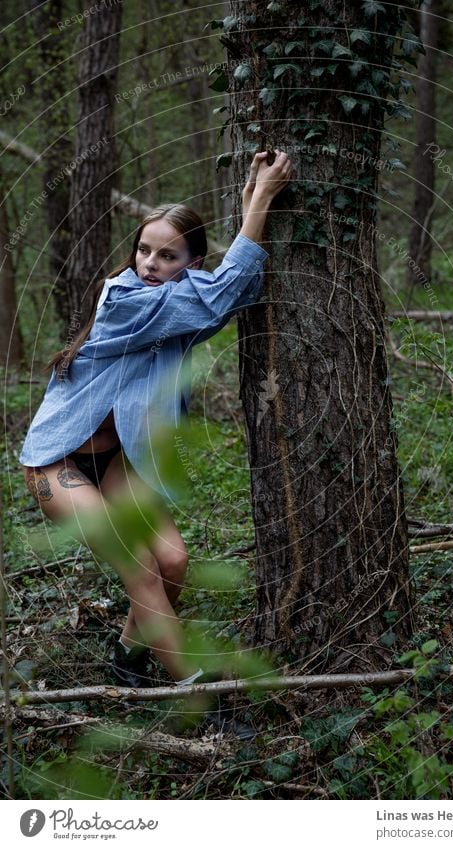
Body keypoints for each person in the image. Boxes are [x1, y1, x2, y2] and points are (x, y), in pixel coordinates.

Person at [19, 149, 293, 689]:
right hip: (57, 462)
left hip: (118, 458)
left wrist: (250, 208)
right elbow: (216, 298)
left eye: (167, 257)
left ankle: (129, 658)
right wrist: (259, 200)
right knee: (141, 568)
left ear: (190, 264)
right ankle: (196, 690)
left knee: (172, 562)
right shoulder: (122, 297)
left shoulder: (181, 306)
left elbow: (232, 290)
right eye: (144, 250)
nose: (150, 263)